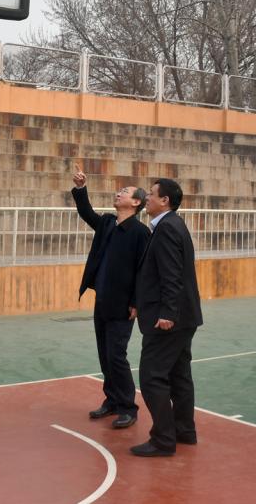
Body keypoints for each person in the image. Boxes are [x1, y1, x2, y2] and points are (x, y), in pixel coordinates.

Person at [130, 178, 203, 457]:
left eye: (151, 194)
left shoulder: (167, 228)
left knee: (152, 377)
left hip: (170, 320)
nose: (147, 198)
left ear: (165, 201)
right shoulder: (172, 225)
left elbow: (171, 275)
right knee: (179, 375)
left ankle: (163, 439)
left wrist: (167, 313)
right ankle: (184, 431)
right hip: (185, 317)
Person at [71, 170, 150, 429]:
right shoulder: (106, 223)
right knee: (105, 354)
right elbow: (86, 213)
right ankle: (112, 400)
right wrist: (81, 188)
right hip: (102, 300)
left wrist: (136, 302)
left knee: (117, 355)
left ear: (136, 202)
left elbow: (143, 270)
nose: (118, 193)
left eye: (124, 192)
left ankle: (128, 407)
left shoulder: (140, 233)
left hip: (123, 304)